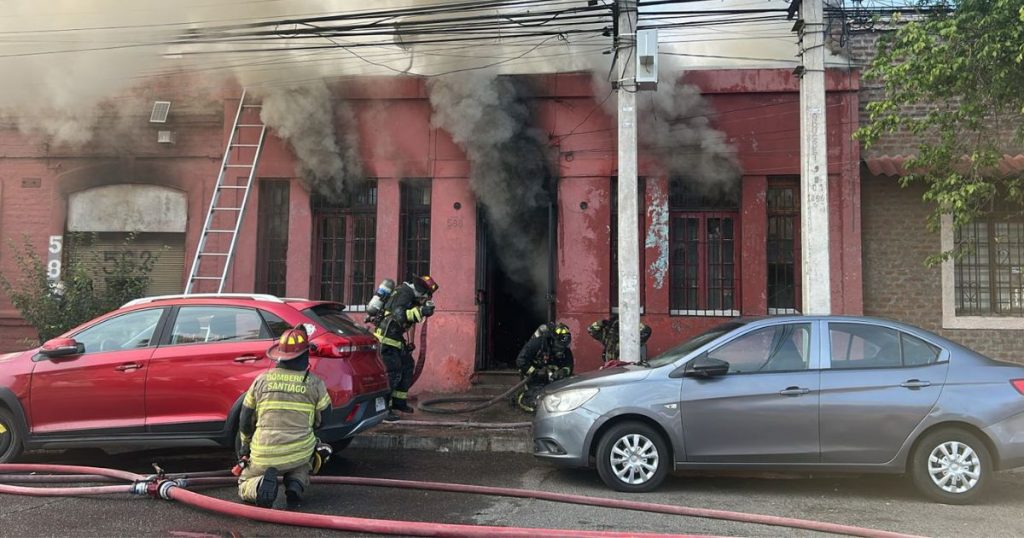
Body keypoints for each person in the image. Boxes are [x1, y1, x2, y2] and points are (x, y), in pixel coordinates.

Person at [237, 326, 331, 509]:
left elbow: (245, 418)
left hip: (263, 453)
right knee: (307, 459)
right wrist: (308, 430)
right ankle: (295, 484)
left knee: (244, 481)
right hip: (300, 451)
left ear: (279, 355)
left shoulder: (261, 380)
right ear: (305, 356)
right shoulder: (315, 383)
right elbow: (325, 418)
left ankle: (258, 487)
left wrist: (245, 445)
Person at [372, 274, 439, 421]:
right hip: (386, 338)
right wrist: (422, 311)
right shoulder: (404, 293)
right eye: (426, 296)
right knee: (393, 372)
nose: (425, 299)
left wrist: (410, 342)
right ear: (421, 291)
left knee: (408, 365)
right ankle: (384, 410)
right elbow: (399, 315)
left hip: (396, 339)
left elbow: (410, 323)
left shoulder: (411, 296)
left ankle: (399, 402)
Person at [514, 322, 574, 413]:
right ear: (552, 340)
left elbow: (569, 365)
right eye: (559, 346)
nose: (561, 350)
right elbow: (520, 361)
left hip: (553, 378)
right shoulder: (537, 343)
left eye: (563, 347)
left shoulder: (564, 348)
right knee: (538, 403)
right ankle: (520, 397)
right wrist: (535, 372)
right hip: (534, 377)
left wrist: (563, 372)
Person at [588, 314, 652, 363]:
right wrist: (602, 322)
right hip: (611, 367)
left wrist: (632, 323)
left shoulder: (631, 339)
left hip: (629, 369)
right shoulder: (608, 337)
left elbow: (646, 331)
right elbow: (591, 330)